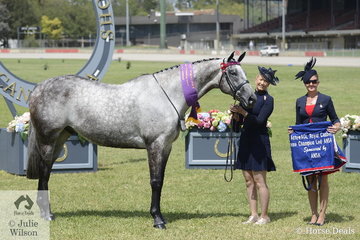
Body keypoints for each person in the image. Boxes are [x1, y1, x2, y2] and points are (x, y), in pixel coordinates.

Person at [289, 57, 341, 226]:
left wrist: (337, 127)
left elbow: (335, 120)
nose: (312, 84)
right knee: (311, 179)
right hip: (306, 146)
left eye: (314, 81)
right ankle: (313, 214)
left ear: (318, 82)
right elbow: (298, 124)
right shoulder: (299, 101)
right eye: (309, 82)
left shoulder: (326, 99)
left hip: (322, 145)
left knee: (323, 179)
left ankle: (322, 214)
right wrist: (293, 131)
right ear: (304, 83)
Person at [230, 66, 279, 225]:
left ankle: (265, 216)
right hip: (246, 141)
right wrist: (236, 116)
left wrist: (244, 113)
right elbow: (237, 128)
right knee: (248, 181)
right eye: (261, 79)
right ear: (256, 79)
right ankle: (253, 215)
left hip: (259, 143)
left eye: (266, 81)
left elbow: (259, 121)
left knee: (259, 180)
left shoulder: (268, 100)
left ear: (269, 84)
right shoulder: (247, 97)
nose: (262, 83)